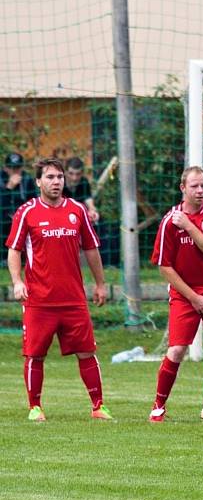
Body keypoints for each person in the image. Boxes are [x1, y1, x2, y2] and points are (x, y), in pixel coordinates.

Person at [5, 157, 111, 422]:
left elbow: (91, 249)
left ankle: (98, 406)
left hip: (73, 299)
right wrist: (18, 282)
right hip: (39, 300)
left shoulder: (77, 210)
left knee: (87, 351)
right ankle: (35, 407)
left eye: (59, 177)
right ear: (38, 181)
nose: (56, 182)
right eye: (50, 177)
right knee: (35, 353)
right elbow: (14, 250)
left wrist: (100, 284)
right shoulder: (27, 212)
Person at [149, 166, 203, 423]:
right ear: (182, 188)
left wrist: (190, 227)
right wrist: (193, 297)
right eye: (194, 186)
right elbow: (164, 266)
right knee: (176, 351)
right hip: (185, 292)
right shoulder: (169, 221)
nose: (200, 191)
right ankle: (158, 406)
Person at [1, 152, 37, 241]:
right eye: (11, 168)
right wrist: (8, 188)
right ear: (5, 168)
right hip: (3, 227)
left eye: (17, 168)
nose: (15, 171)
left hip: (22, 225)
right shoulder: (1, 180)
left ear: (22, 167)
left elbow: (34, 205)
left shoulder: (27, 180)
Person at [64, 157, 100, 223]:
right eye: (71, 173)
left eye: (78, 174)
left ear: (82, 173)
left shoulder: (84, 181)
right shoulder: (59, 184)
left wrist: (92, 211)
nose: (74, 178)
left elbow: (88, 199)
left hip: (79, 217)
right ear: (65, 172)